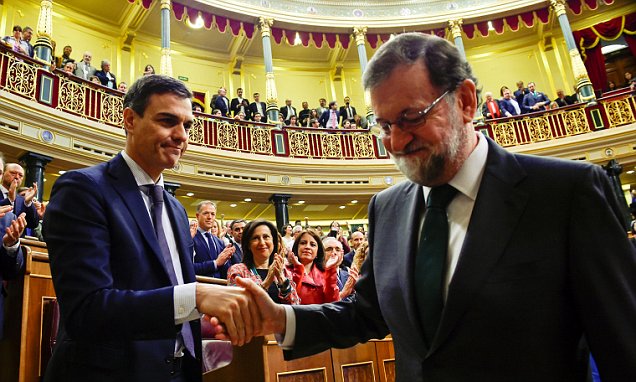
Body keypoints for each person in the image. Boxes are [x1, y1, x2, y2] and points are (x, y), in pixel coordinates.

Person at [225, 32, 636, 382]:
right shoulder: (386, 209)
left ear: (466, 101)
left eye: (411, 117)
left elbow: (623, 343)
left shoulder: (566, 194)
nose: (396, 142)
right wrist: (281, 318)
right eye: (384, 126)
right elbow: (366, 314)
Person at [43, 74, 260, 381]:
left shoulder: (176, 209)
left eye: (187, 125)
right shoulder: (83, 190)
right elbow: (87, 310)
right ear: (130, 119)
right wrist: (195, 297)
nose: (182, 135)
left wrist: (210, 315)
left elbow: (170, 299)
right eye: (168, 120)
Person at [227, 220, 299, 304]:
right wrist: (266, 283)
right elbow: (239, 306)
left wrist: (282, 281)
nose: (262, 242)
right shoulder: (237, 271)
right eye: (255, 238)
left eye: (266, 237)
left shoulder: (284, 270)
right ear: (248, 245)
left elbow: (295, 305)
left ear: (273, 242)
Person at [286, 229, 340, 305]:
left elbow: (333, 303)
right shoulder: (286, 271)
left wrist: (330, 271)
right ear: (296, 248)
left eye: (313, 244)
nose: (307, 247)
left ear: (318, 252)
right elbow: (289, 300)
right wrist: (299, 270)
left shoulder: (326, 273)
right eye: (303, 243)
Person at [192, 201, 235, 279]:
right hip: (198, 287)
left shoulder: (219, 242)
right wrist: (215, 263)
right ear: (197, 216)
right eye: (206, 213)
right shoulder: (190, 238)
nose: (209, 217)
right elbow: (188, 268)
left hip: (219, 287)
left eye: (212, 214)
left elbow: (224, 271)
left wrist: (226, 260)